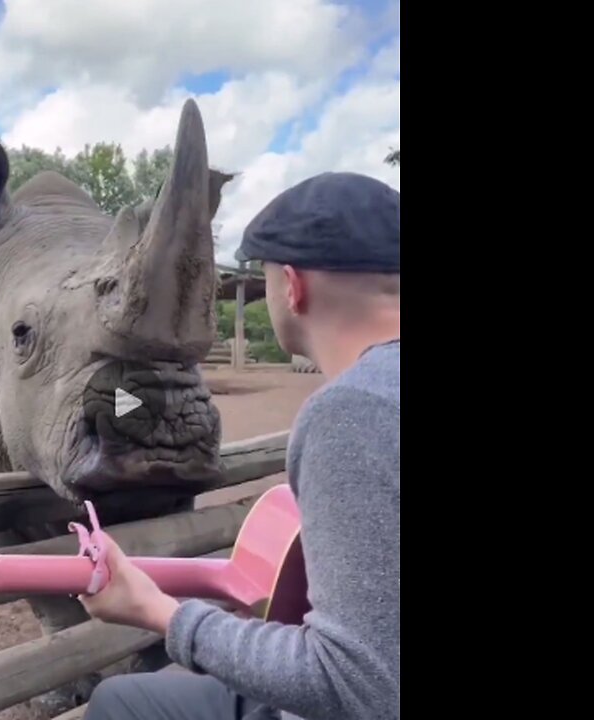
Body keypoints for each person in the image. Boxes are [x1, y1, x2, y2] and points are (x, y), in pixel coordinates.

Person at [78, 171, 401, 720]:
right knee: (124, 697)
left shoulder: (355, 412)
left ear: (292, 286)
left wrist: (162, 614)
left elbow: (358, 685)